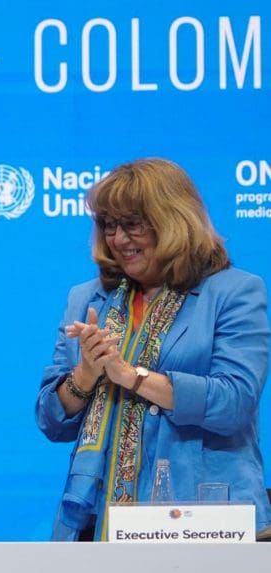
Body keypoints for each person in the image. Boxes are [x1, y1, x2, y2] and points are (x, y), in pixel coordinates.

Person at [36, 158, 271, 541]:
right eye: (109, 225)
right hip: (93, 521)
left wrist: (130, 376)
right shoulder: (87, 299)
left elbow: (234, 403)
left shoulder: (234, 292)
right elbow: (50, 419)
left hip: (202, 522)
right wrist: (85, 374)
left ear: (173, 219)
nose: (118, 239)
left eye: (132, 224)